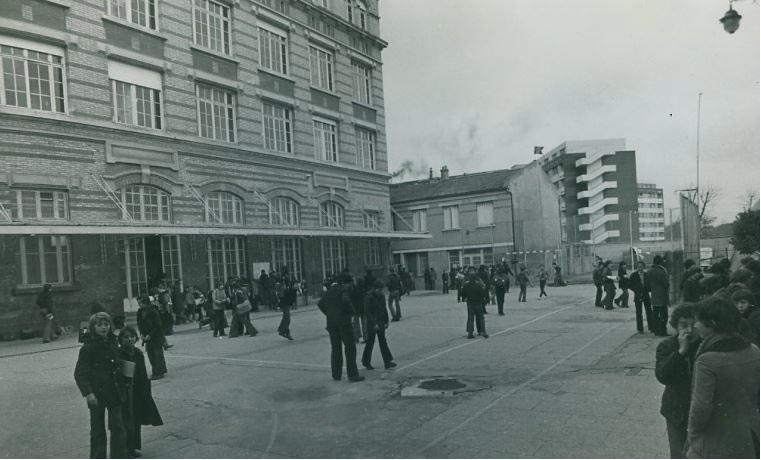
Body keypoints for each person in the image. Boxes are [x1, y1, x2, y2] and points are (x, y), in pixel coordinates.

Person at [686, 297, 759, 459]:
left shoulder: (707, 360)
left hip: (714, 441)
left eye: (698, 321)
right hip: (748, 436)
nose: (695, 326)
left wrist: (692, 434)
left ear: (712, 324)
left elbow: (701, 407)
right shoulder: (754, 350)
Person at [74, 312, 127, 459]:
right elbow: (80, 373)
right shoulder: (88, 347)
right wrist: (88, 393)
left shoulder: (113, 342)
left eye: (106, 324)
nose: (103, 328)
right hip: (96, 394)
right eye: (99, 325)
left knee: (118, 427)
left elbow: (118, 364)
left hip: (114, 391)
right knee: (97, 430)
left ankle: (119, 456)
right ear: (93, 327)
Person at [655, 304, 702, 459]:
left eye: (693, 325)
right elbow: (663, 376)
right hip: (676, 409)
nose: (689, 330)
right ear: (675, 326)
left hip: (700, 408)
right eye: (683, 325)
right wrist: (680, 352)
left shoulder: (704, 345)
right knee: (678, 453)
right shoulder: (667, 346)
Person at [118, 326, 163, 458]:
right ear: (121, 340)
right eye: (126, 337)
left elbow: (142, 372)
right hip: (126, 390)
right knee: (126, 420)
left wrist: (146, 390)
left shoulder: (137, 353)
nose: (130, 339)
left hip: (137, 390)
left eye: (132, 336)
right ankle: (126, 448)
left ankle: (135, 447)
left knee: (136, 419)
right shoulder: (119, 353)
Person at [318, 273, 365, 382]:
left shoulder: (327, 292)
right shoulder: (342, 289)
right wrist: (352, 312)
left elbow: (320, 304)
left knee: (336, 349)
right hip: (344, 323)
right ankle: (352, 374)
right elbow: (346, 301)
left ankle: (336, 374)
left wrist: (329, 314)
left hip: (331, 324)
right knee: (350, 348)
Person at [361, 280, 396, 370]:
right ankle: (366, 362)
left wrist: (386, 321)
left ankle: (387, 361)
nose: (380, 291)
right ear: (374, 289)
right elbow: (368, 312)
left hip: (380, 321)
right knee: (370, 343)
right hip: (372, 323)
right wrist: (373, 323)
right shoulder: (368, 297)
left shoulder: (381, 296)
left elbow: (384, 309)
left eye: (381, 290)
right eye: (379, 289)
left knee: (383, 342)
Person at [136, 296, 167, 380]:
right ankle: (156, 371)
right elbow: (139, 324)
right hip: (147, 337)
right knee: (151, 355)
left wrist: (150, 334)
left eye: (141, 303)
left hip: (156, 336)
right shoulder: (139, 312)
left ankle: (159, 372)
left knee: (157, 354)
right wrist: (142, 334)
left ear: (146, 303)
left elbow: (158, 325)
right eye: (138, 303)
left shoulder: (153, 311)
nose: (139, 305)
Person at [462, 267, 488, 339]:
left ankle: (470, 333)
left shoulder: (466, 284)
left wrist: (465, 296)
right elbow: (482, 293)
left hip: (470, 303)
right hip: (478, 302)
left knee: (470, 318)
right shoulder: (479, 284)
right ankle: (483, 331)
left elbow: (463, 293)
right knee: (481, 317)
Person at [648, 256, 671, 336]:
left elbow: (647, 284)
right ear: (661, 262)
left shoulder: (649, 271)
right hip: (662, 295)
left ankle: (656, 331)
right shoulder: (662, 271)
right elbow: (666, 284)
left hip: (654, 295)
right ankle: (663, 331)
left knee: (655, 314)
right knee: (664, 314)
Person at [629, 260, 654, 333]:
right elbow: (630, 284)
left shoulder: (646, 274)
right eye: (638, 267)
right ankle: (640, 329)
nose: (640, 268)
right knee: (639, 312)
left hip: (645, 294)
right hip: (638, 295)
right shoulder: (634, 275)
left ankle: (651, 327)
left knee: (649, 311)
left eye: (641, 267)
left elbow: (650, 283)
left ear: (644, 267)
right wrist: (635, 290)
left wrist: (648, 289)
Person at [278, 275, 297, 340]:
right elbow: (284, 296)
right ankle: (283, 331)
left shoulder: (289, 288)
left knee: (285, 318)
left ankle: (283, 331)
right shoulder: (287, 288)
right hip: (285, 304)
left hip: (286, 304)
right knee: (287, 319)